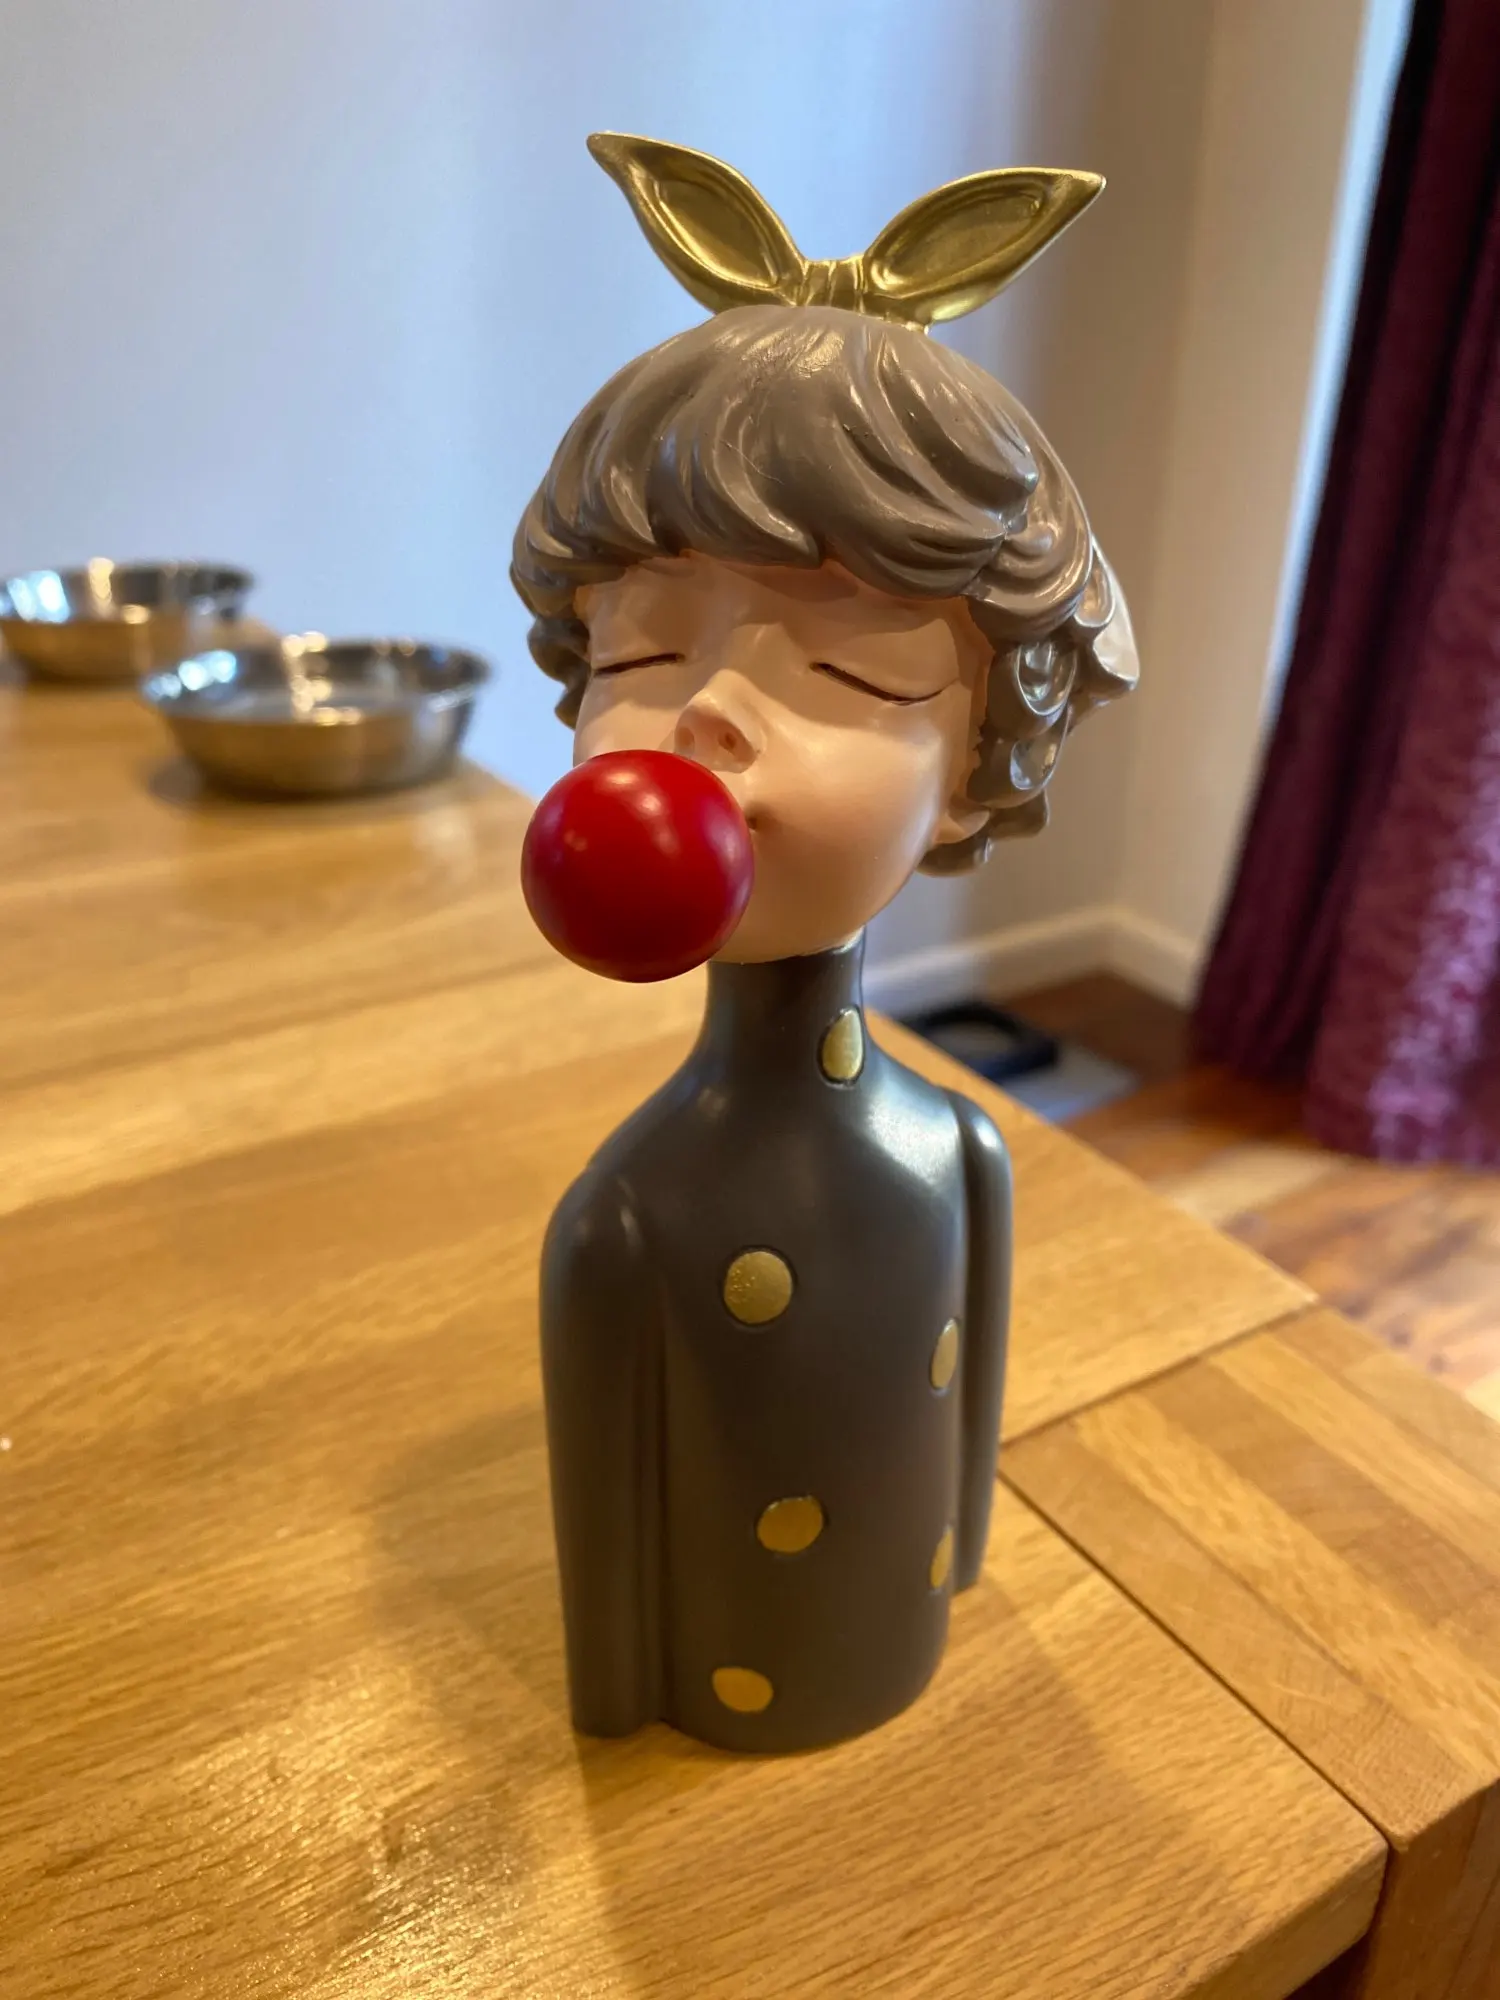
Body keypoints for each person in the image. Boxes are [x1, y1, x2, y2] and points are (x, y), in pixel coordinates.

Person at [510, 137, 1138, 1750]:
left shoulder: (961, 1154)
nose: (706, 714)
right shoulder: (625, 1221)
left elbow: (967, 1470)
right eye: (638, 656)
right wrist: (615, 1712)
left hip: (902, 1646)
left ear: (978, 765)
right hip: (713, 1707)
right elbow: (608, 1550)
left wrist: (958, 1566)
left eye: (849, 675)